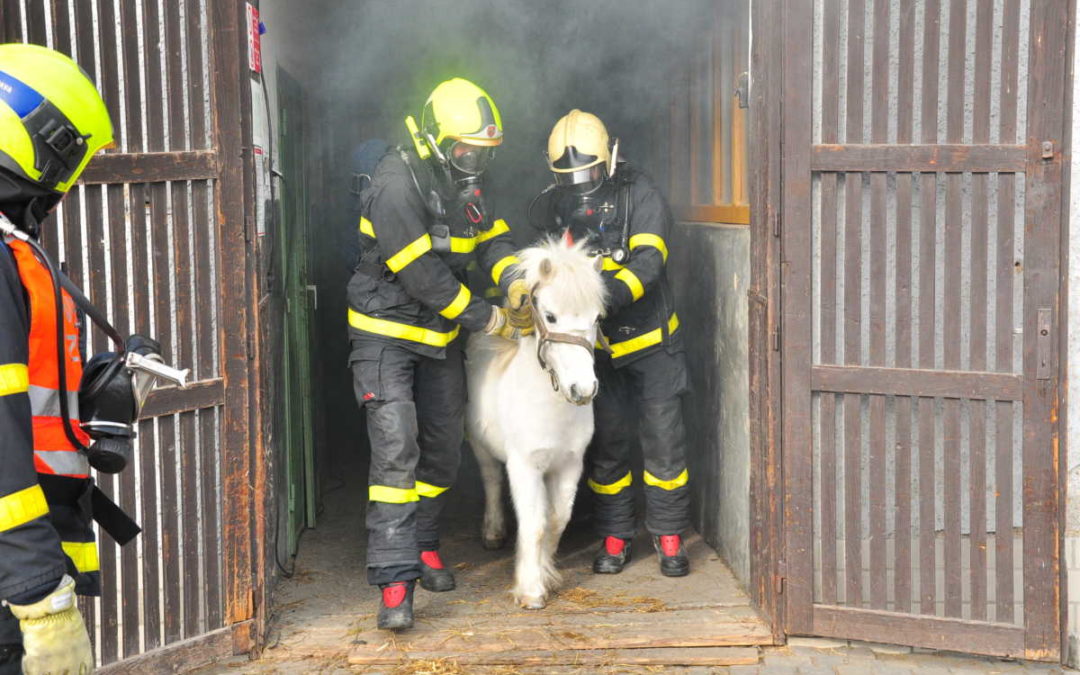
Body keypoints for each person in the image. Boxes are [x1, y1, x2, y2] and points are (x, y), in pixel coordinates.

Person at [346, 77, 531, 630]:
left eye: (482, 152)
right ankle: (395, 583)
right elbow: (425, 277)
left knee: (446, 448)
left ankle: (425, 544)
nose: (474, 161)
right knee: (396, 451)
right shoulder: (396, 183)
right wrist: (494, 315)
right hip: (386, 335)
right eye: (465, 149)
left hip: (439, 338)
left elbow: (493, 236)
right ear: (433, 138)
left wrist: (514, 279)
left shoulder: (464, 181)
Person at [534, 109, 692, 579]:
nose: (581, 183)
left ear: (610, 159)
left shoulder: (640, 194)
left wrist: (601, 297)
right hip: (598, 354)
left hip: (652, 345)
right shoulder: (557, 207)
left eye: (589, 172)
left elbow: (649, 262)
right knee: (608, 446)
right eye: (569, 176)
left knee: (664, 444)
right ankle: (616, 535)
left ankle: (668, 535)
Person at [0, 43, 117, 674]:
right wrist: (39, 594)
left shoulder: (12, 245)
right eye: (70, 155)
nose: (67, 184)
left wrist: (91, 382)